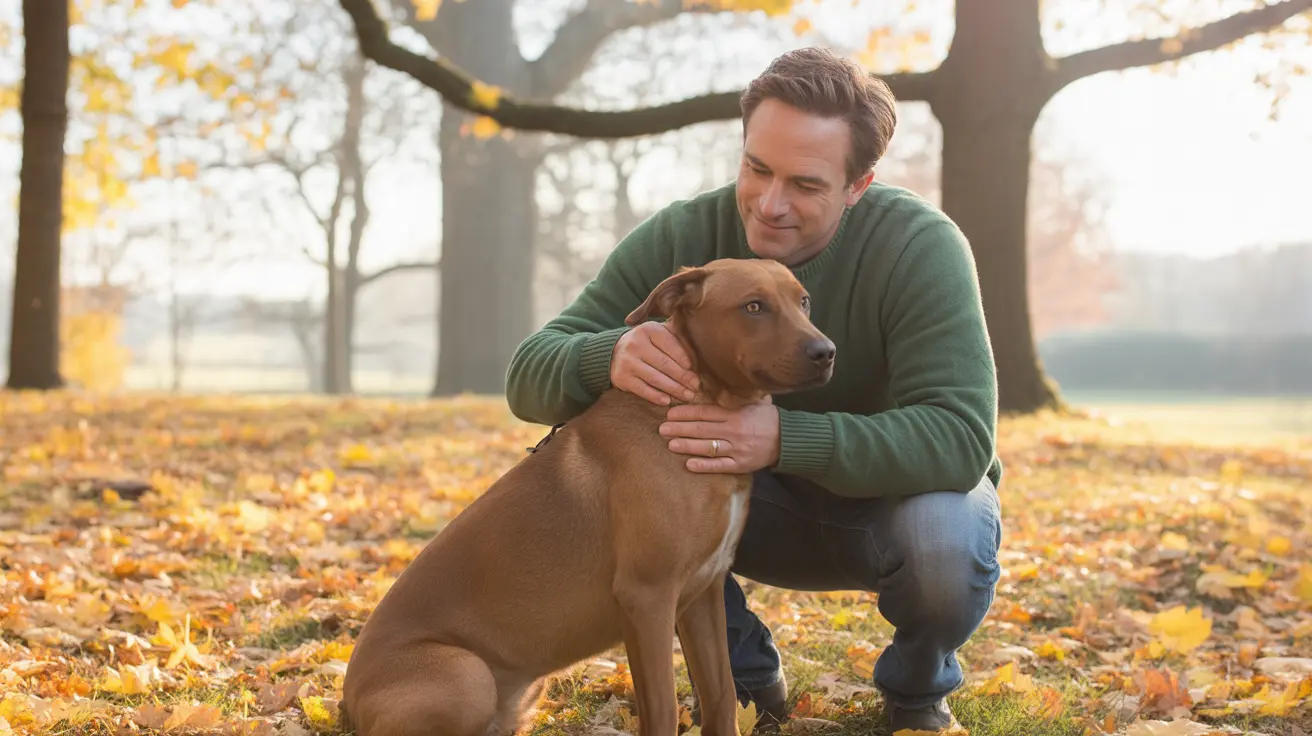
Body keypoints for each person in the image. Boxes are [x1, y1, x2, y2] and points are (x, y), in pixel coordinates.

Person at [503, 46, 1003, 734]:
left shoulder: (919, 246)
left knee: (946, 538)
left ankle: (918, 689)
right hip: (735, 509)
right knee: (610, 461)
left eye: (806, 184)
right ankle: (743, 674)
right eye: (756, 168)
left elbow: (961, 438)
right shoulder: (684, 235)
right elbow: (529, 376)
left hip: (885, 512)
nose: (770, 204)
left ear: (858, 186)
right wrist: (605, 355)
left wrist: (783, 438)